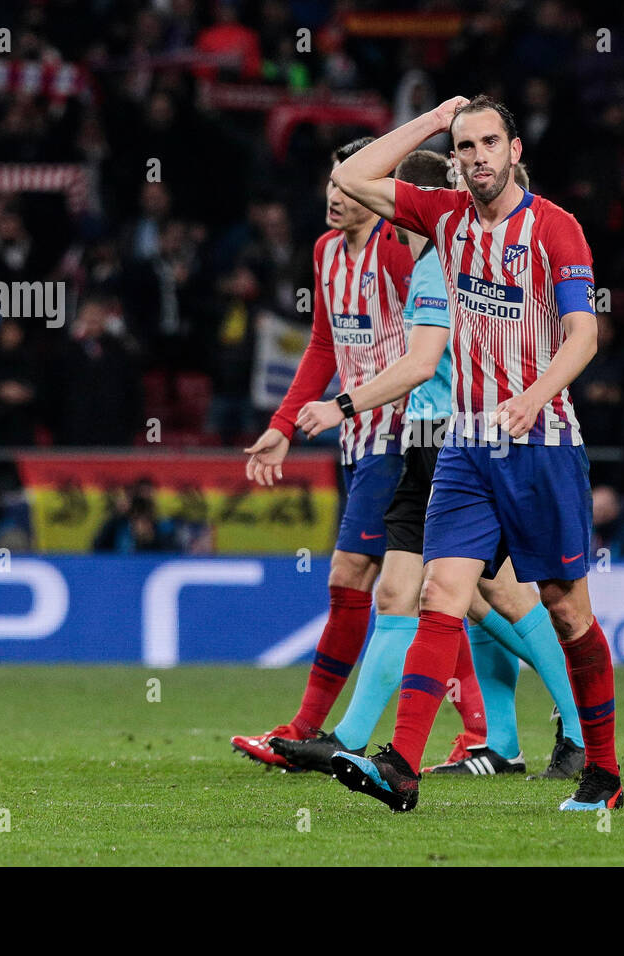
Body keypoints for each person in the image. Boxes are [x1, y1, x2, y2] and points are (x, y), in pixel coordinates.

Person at [327, 94, 622, 813]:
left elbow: (583, 335)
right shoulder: (442, 216)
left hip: (543, 441)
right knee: (441, 594)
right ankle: (400, 766)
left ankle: (603, 770)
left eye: (491, 142)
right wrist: (431, 120)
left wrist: (533, 394)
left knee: (566, 611)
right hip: (465, 444)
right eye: (467, 146)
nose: (480, 155)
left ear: (515, 150)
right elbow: (358, 175)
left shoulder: (556, 229)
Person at [280, 152, 586, 779]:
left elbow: (422, 364)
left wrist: (340, 404)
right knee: (418, 593)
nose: (451, 195)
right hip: (431, 437)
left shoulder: (444, 264)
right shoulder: (437, 259)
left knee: (490, 596)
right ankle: (372, 738)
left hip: (457, 438)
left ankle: (571, 722)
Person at [230, 137, 414, 767]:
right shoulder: (326, 253)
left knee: (351, 577)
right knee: (462, 592)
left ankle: (307, 726)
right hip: (356, 439)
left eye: (348, 185)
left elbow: (430, 342)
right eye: (331, 185)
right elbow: (323, 347)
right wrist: (282, 423)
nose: (336, 197)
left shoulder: (397, 250)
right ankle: (492, 730)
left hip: (402, 435)